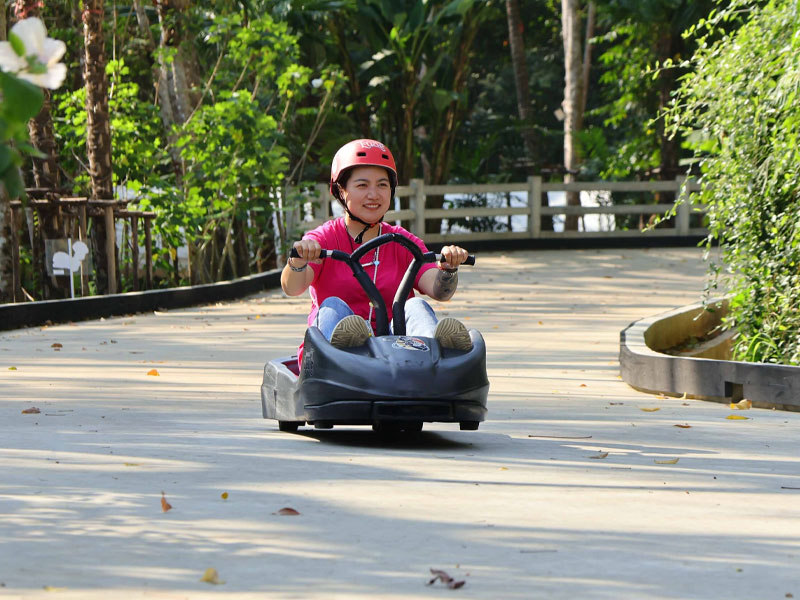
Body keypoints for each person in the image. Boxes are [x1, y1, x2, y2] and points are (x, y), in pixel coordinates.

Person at [281, 138, 472, 356]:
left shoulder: (401, 241)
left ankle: (436, 349)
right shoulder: (323, 239)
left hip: (395, 347)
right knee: (332, 306)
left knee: (415, 306)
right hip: (335, 357)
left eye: (382, 185)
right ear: (341, 190)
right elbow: (292, 288)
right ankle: (347, 348)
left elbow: (439, 292)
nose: (373, 194)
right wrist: (298, 261)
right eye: (362, 185)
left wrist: (448, 269)